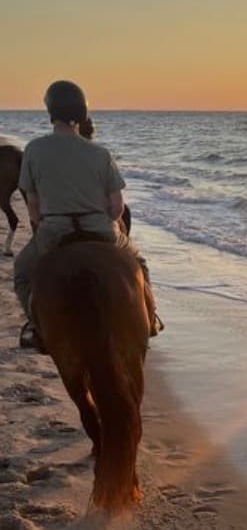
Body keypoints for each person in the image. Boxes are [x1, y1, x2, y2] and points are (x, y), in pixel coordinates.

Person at [13, 80, 161, 349]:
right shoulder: (100, 153)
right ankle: (150, 319)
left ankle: (36, 327)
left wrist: (44, 224)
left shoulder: (34, 149)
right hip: (101, 231)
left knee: (21, 271)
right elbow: (117, 208)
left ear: (51, 112)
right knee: (139, 263)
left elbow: (32, 208)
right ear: (81, 113)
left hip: (54, 232)